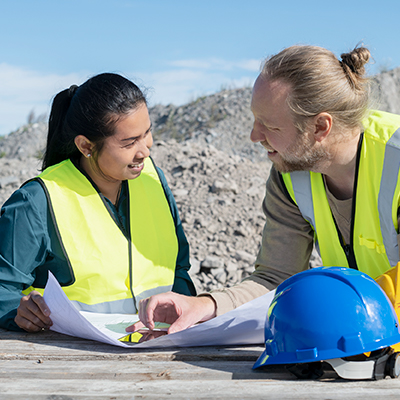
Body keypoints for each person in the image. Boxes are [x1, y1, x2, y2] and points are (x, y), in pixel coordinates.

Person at [127, 44, 400, 335]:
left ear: (320, 127)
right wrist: (206, 305)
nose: (254, 136)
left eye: (269, 125)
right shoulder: (289, 172)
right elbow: (277, 277)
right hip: (365, 340)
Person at [0, 73, 196, 333]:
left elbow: (178, 269)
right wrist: (17, 311)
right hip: (69, 362)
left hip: (159, 352)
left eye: (147, 132)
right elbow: (4, 288)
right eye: (129, 142)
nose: (145, 150)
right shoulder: (36, 202)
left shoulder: (155, 181)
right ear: (85, 146)